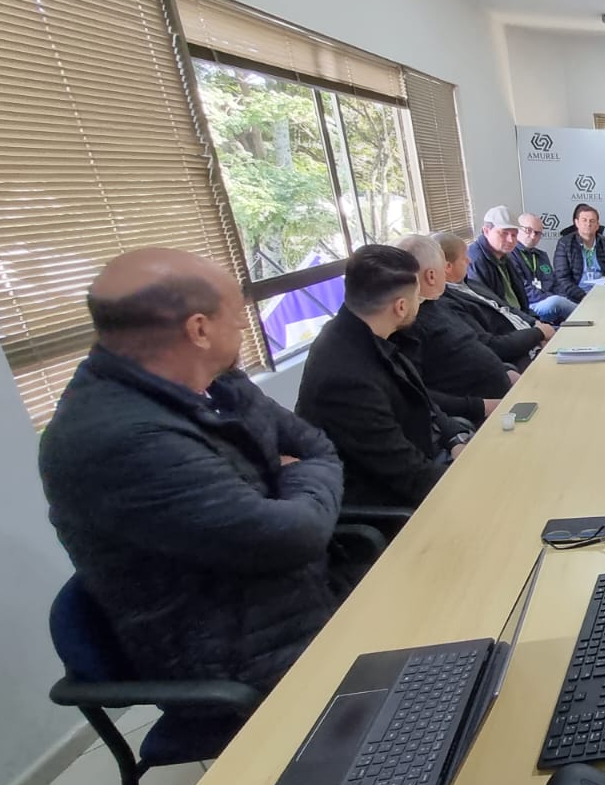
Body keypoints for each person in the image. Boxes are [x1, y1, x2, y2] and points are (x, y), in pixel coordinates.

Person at [39, 248, 347, 700]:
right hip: (244, 656)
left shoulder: (219, 383)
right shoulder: (116, 440)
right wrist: (292, 479)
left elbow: (316, 446)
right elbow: (293, 535)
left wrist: (287, 483)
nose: (245, 325)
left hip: (304, 595)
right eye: (236, 314)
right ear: (199, 329)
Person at [296, 244, 474, 509]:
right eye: (417, 296)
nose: (420, 302)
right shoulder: (345, 375)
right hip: (395, 499)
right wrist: (472, 484)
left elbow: (422, 400)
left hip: (428, 458)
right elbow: (406, 473)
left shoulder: (367, 332)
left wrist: (457, 440)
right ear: (401, 307)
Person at [393, 234, 515, 423]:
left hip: (507, 391)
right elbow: (419, 394)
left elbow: (475, 345)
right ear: (431, 276)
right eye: (444, 267)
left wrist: (506, 370)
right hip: (483, 415)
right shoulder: (408, 324)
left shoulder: (439, 302)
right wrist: (481, 406)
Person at [433, 231, 553, 370]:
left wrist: (535, 323)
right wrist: (538, 334)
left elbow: (508, 309)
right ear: (448, 267)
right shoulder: (449, 303)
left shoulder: (471, 283)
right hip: (520, 356)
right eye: (464, 257)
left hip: (535, 337)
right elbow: (492, 345)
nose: (469, 260)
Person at [510, 213, 577, 324]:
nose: (533, 236)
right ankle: (592, 317)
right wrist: (550, 297)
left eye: (537, 233)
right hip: (529, 305)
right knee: (557, 302)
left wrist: (562, 296)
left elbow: (555, 283)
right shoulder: (511, 255)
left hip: (547, 300)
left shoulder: (541, 256)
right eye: (528, 230)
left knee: (566, 298)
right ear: (517, 229)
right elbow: (523, 288)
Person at [552, 203, 605, 302]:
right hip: (575, 297)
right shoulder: (564, 243)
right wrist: (583, 296)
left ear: (597, 225)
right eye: (584, 220)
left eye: (592, 221)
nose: (588, 224)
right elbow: (562, 278)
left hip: (604, 295)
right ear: (576, 223)